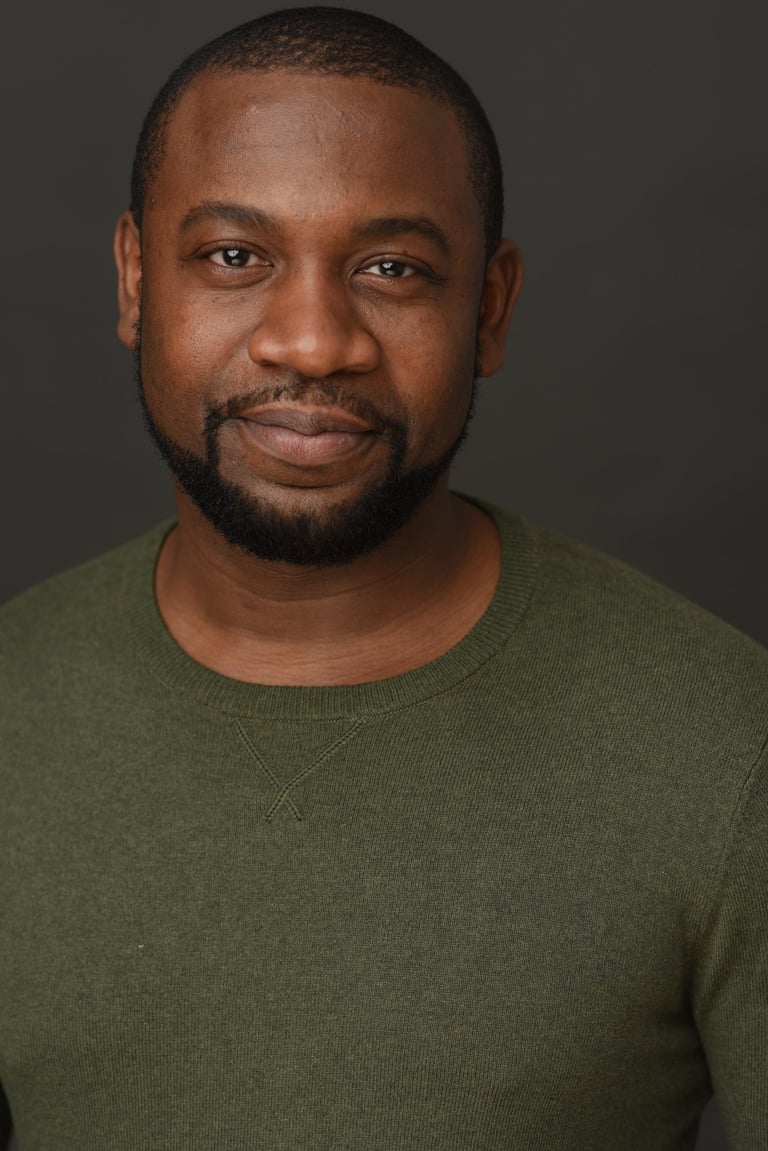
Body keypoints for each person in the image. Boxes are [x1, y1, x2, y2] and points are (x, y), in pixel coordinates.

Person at [0, 6, 766, 1149]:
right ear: (134, 278)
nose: (314, 341)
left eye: (392, 268)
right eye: (234, 256)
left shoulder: (727, 747)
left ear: (489, 308)